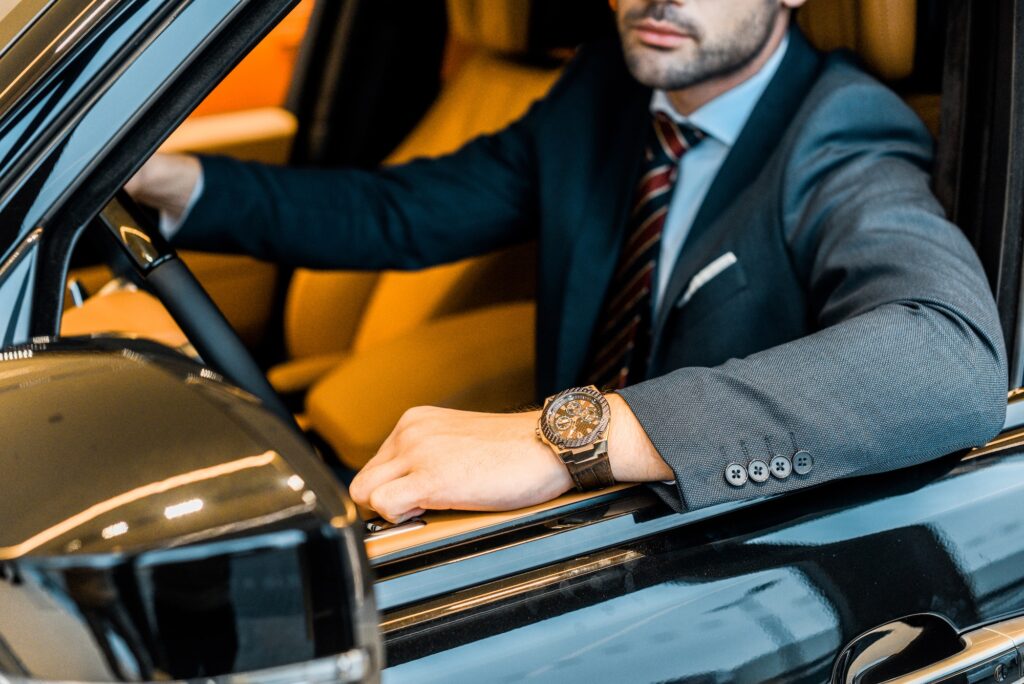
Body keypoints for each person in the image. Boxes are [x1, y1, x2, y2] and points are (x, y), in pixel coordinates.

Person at [128, 0, 1008, 524]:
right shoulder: (608, 93)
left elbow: (948, 358)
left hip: (719, 548)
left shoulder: (842, 130)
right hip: (576, 524)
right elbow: (402, 214)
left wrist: (567, 437)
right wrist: (169, 182)